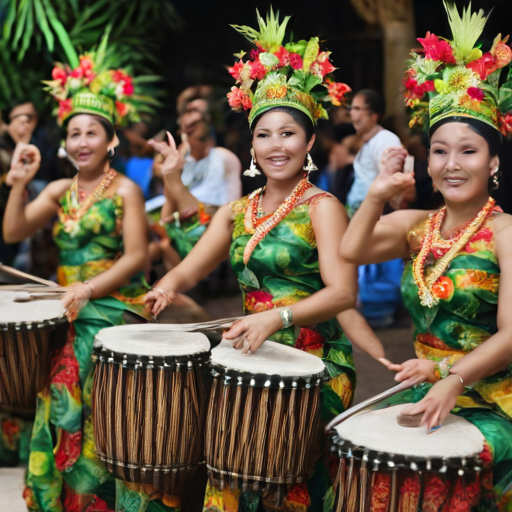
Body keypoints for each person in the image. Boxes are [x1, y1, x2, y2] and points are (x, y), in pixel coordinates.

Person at [146, 9, 383, 511]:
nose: (277, 145)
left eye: (288, 134)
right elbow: (195, 263)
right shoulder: (239, 210)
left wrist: (276, 317)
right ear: (251, 144)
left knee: (286, 485)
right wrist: (166, 285)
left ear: (310, 142)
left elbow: (343, 293)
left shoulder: (324, 208)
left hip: (315, 359)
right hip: (251, 351)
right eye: (265, 135)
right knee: (227, 468)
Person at [340, 4, 512, 507]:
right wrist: (377, 192)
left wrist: (449, 377)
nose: (452, 164)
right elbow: (351, 250)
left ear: (494, 162)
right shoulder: (418, 224)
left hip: (494, 399)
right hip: (430, 389)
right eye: (439, 150)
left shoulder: (504, 232)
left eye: (468, 151)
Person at [1, 47, 175, 511]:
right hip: (66, 308)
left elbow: (137, 257)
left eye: (92, 132)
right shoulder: (58, 190)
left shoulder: (125, 191)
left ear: (111, 139)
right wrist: (19, 180)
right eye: (74, 133)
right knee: (57, 396)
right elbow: (12, 230)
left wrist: (88, 288)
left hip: (112, 308)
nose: (82, 142)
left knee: (98, 408)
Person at [160, 102, 242, 262]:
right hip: (185, 230)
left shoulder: (222, 156)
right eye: (184, 135)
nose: (186, 143)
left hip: (219, 230)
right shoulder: (186, 164)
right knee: (161, 244)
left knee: (164, 246)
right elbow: (166, 219)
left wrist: (172, 177)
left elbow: (231, 214)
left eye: (192, 135)